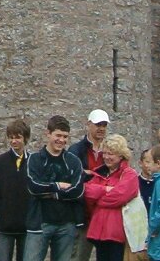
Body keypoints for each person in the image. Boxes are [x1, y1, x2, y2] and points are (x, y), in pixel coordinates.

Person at [24, 115, 85, 261]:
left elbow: (78, 191)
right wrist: (58, 186)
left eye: (65, 136)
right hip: (40, 223)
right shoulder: (34, 159)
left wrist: (52, 193)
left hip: (67, 224)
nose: (61, 140)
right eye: (58, 135)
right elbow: (34, 187)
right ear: (48, 134)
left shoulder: (74, 161)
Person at [83, 134, 140, 261]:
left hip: (117, 232)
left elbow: (119, 197)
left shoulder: (129, 174)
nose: (106, 157)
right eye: (105, 153)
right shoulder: (100, 172)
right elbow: (87, 191)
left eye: (111, 154)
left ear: (121, 155)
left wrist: (98, 198)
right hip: (99, 231)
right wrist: (106, 190)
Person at [71, 110, 111, 261]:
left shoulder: (109, 151)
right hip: (84, 215)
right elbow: (74, 178)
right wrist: (93, 176)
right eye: (98, 124)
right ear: (89, 124)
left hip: (104, 214)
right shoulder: (76, 150)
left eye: (104, 125)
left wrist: (89, 174)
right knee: (79, 256)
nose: (101, 128)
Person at [0, 119, 33, 261]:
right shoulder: (0, 161)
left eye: (18, 137)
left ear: (25, 138)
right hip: (5, 225)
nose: (14, 141)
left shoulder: (33, 161)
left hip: (26, 225)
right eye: (11, 137)